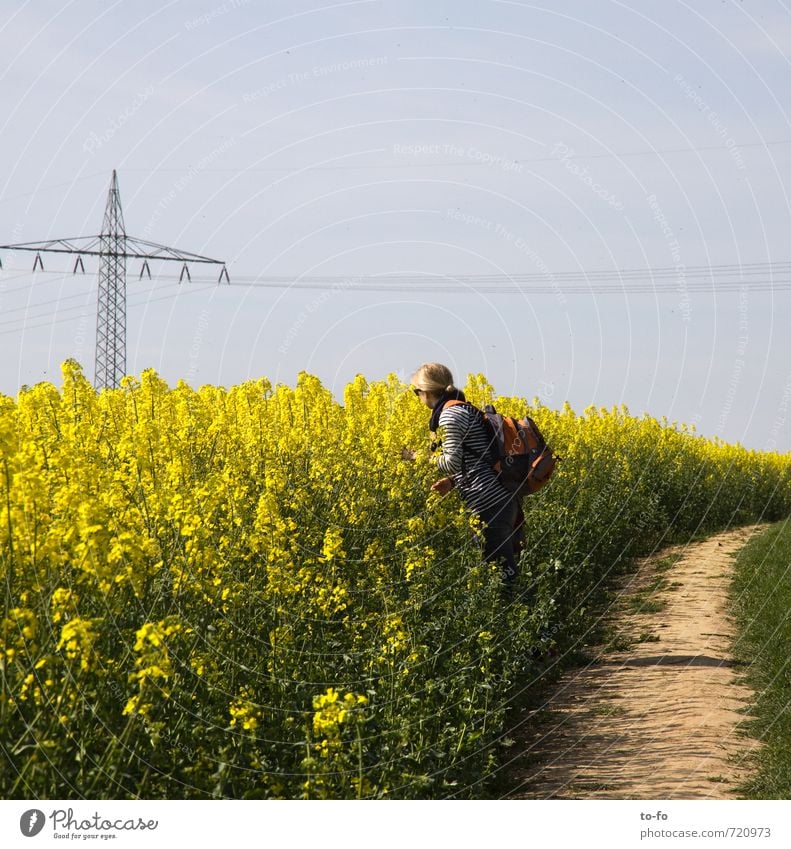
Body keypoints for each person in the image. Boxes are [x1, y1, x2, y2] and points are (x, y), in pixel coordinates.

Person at [410, 362, 520, 587]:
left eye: (417, 392)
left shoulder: (450, 415)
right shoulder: (462, 408)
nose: (418, 397)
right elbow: (475, 458)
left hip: (490, 503)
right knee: (497, 570)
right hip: (497, 498)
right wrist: (452, 482)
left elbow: (451, 461)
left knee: (501, 574)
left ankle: (523, 616)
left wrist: (416, 457)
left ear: (427, 391)